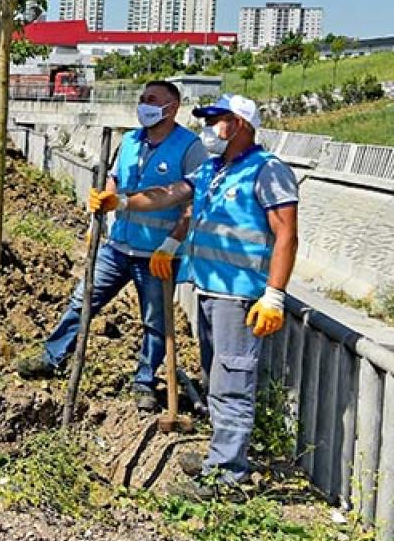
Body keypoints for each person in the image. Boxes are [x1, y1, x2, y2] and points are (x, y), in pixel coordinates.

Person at [93, 94, 299, 493]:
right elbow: (168, 195)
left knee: (232, 382)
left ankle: (228, 475)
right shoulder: (214, 169)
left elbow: (287, 233)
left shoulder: (268, 170)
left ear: (238, 124)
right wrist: (120, 201)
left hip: (239, 297)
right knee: (214, 379)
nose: (207, 128)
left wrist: (274, 294)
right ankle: (219, 456)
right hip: (207, 287)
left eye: (215, 120)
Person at [16, 81, 204, 412]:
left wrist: (173, 241)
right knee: (82, 300)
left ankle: (144, 381)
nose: (143, 104)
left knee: (155, 322)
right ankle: (52, 356)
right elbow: (114, 180)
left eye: (152, 100)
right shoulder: (131, 140)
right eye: (142, 98)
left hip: (156, 254)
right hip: (117, 247)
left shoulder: (191, 147)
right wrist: (98, 215)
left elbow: (188, 197)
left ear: (172, 107)